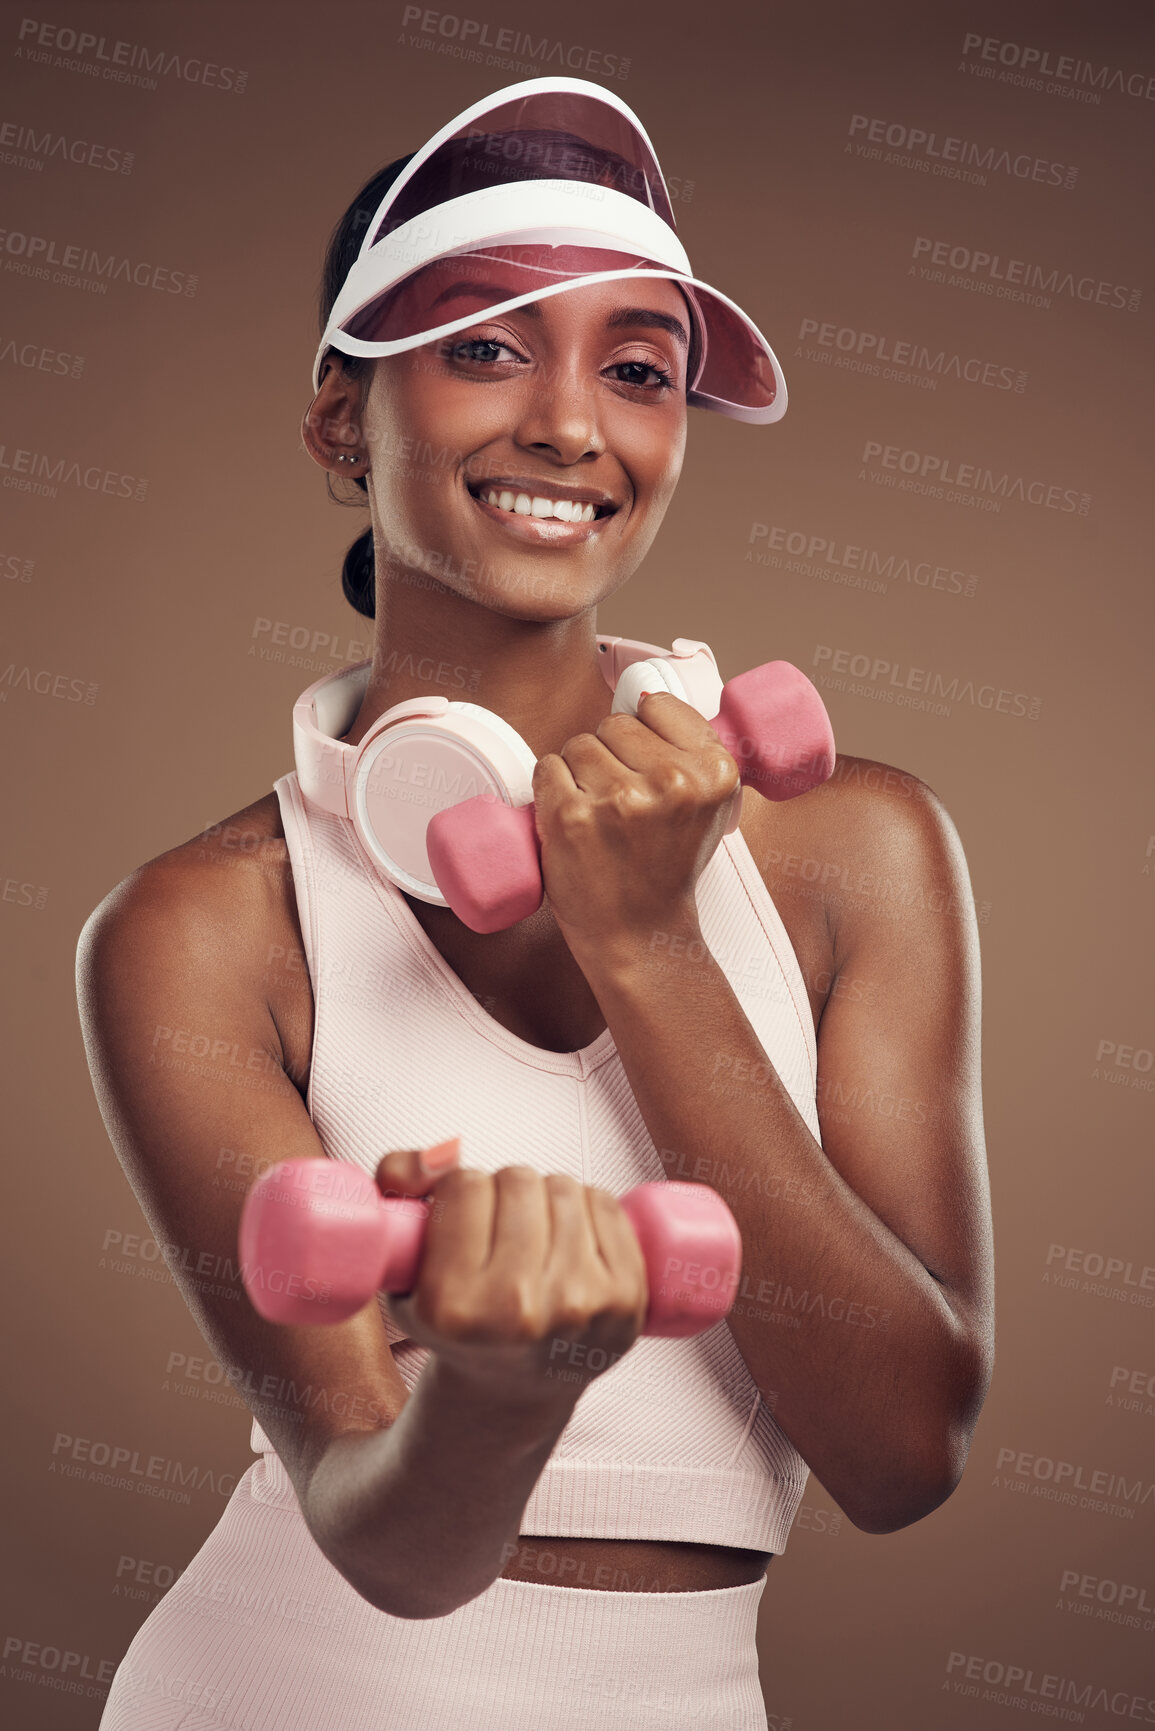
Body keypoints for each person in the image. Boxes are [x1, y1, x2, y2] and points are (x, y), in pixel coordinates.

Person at [76, 77, 994, 1731]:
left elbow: (903, 1454)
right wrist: (500, 1398)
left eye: (638, 372)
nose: (574, 425)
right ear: (342, 422)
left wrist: (647, 946)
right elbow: (387, 1539)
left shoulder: (854, 847)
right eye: (487, 347)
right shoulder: (202, 928)